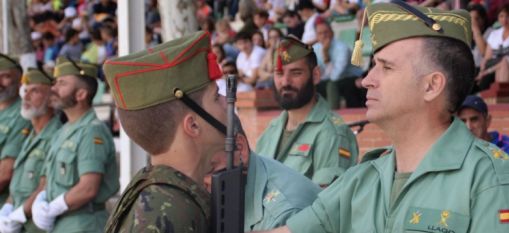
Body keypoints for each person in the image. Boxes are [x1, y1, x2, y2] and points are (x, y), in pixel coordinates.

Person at [256, 2, 509, 232]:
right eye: (372, 67)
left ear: (431, 85)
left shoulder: (492, 183)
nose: (367, 80)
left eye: (386, 68)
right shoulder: (362, 179)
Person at [102, 31, 227, 232]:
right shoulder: (170, 212)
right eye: (216, 97)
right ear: (193, 125)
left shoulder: (164, 194)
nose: (225, 102)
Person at [255, 37, 359, 187]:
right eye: (279, 73)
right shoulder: (270, 131)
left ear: (315, 75)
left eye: (295, 73)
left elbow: (326, 204)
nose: (285, 82)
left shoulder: (331, 133)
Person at [31, 57, 119, 232]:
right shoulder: (63, 131)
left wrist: (55, 207)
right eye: (55, 83)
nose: (53, 88)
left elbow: (88, 188)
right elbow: (48, 179)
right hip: (62, 223)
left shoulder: (91, 131)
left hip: (83, 223)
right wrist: (40, 200)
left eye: (62, 84)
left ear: (81, 95)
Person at [204, 116, 321, 231]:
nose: (199, 182)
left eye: (208, 170)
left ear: (240, 149)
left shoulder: (284, 215)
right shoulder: (229, 190)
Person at [0, 68, 62, 233]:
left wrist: (20, 214)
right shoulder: (31, 137)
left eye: (34, 91)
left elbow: (46, 185)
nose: (25, 97)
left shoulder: (56, 135)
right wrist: (7, 207)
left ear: (51, 99)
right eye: (25, 91)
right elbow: (18, 184)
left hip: (38, 226)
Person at [0, 54, 31, 205]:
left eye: (5, 76)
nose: (0, 82)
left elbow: (5, 173)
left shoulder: (22, 114)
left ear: (19, 80)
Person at [313, 20, 365, 109]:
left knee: (331, 85)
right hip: (331, 79)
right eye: (320, 33)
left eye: (326, 32)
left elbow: (335, 76)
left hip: (351, 78)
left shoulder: (341, 48)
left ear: (332, 33)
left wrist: (325, 55)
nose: (323, 36)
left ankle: (332, 117)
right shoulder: (315, 48)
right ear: (317, 36)